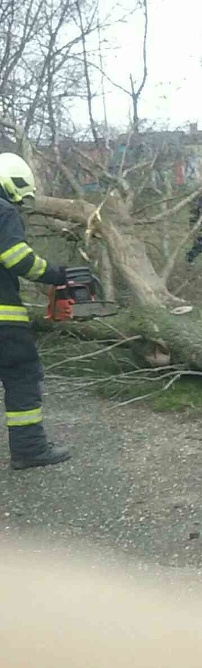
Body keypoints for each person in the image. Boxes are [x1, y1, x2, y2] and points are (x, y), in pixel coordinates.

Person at [0, 152, 71, 469]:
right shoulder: (3, 211)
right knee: (22, 376)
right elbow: (17, 258)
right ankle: (29, 450)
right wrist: (55, 273)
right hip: (4, 322)